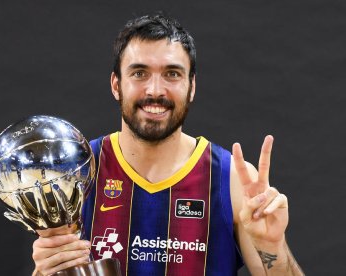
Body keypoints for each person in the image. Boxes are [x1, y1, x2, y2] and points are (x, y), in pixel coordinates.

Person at [32, 13, 304, 275]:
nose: (155, 91)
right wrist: (45, 270)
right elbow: (53, 269)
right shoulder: (75, 173)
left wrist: (273, 246)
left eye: (172, 74)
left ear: (192, 87)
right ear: (116, 85)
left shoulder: (231, 179)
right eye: (139, 73)